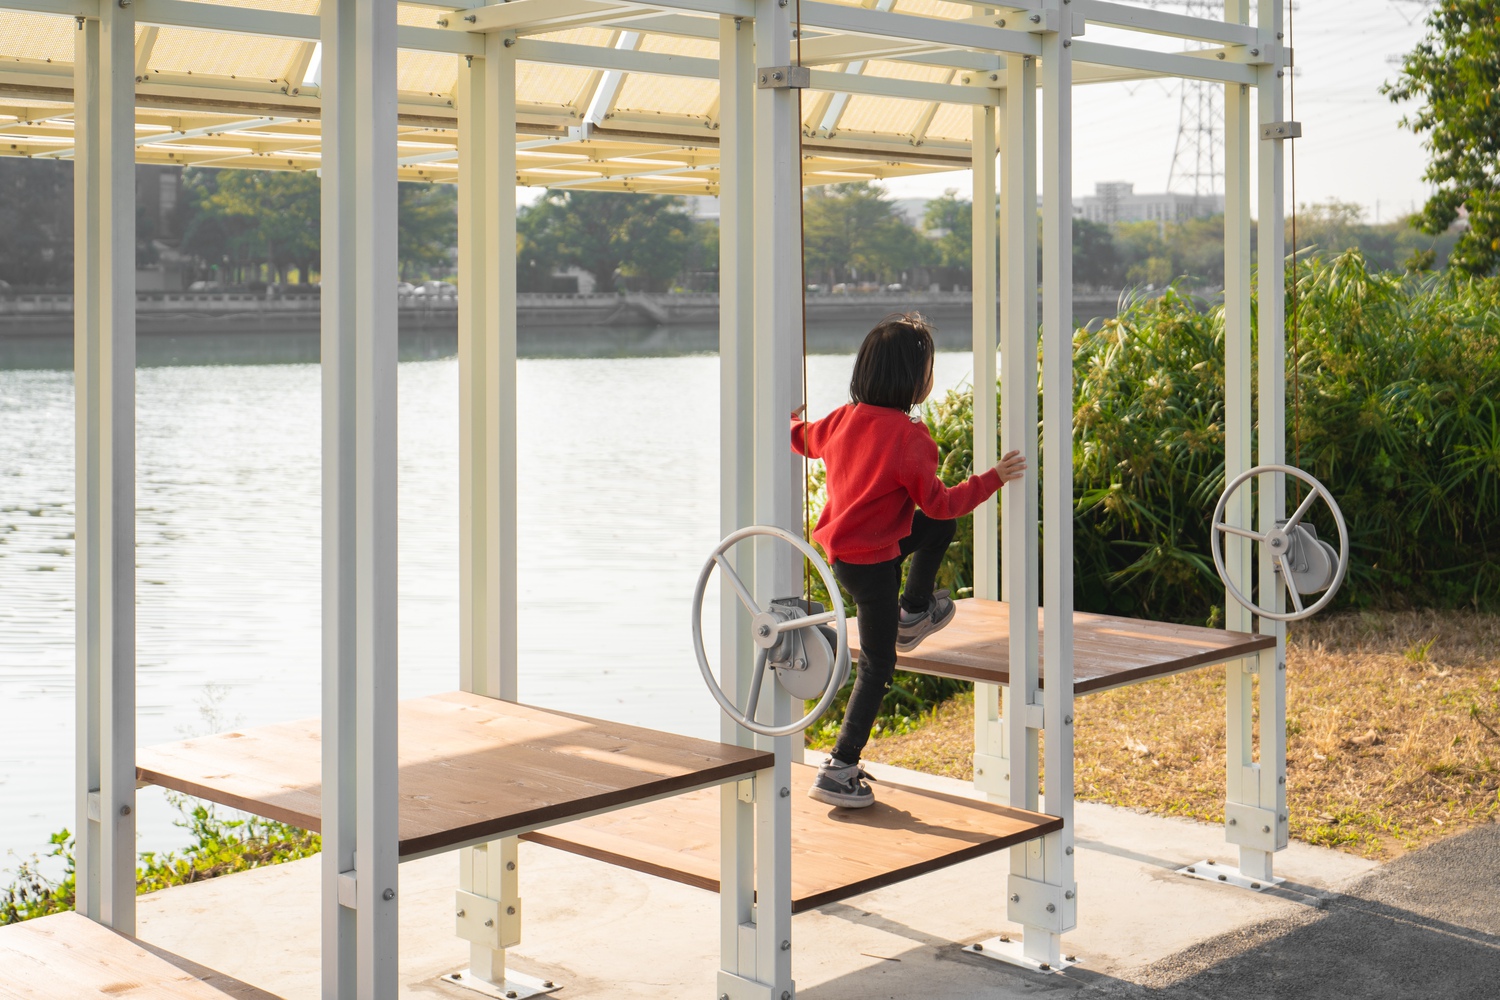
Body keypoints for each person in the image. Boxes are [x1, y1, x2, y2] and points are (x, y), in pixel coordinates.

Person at [791, 313, 1027, 808]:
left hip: (846, 559)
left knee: (936, 531)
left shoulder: (841, 419)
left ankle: (913, 612)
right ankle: (839, 768)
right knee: (878, 665)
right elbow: (942, 504)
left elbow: (804, 439)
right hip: (876, 567)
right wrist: (994, 478)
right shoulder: (909, 438)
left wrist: (788, 421)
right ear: (915, 380)